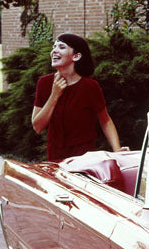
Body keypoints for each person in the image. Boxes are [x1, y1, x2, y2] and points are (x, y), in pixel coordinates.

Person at [31, 33, 125, 162]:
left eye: (61, 47)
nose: (54, 51)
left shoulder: (90, 86)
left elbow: (105, 121)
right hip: (54, 157)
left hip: (84, 157)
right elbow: (37, 126)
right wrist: (54, 95)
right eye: (54, 47)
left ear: (76, 56)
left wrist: (117, 150)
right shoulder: (44, 83)